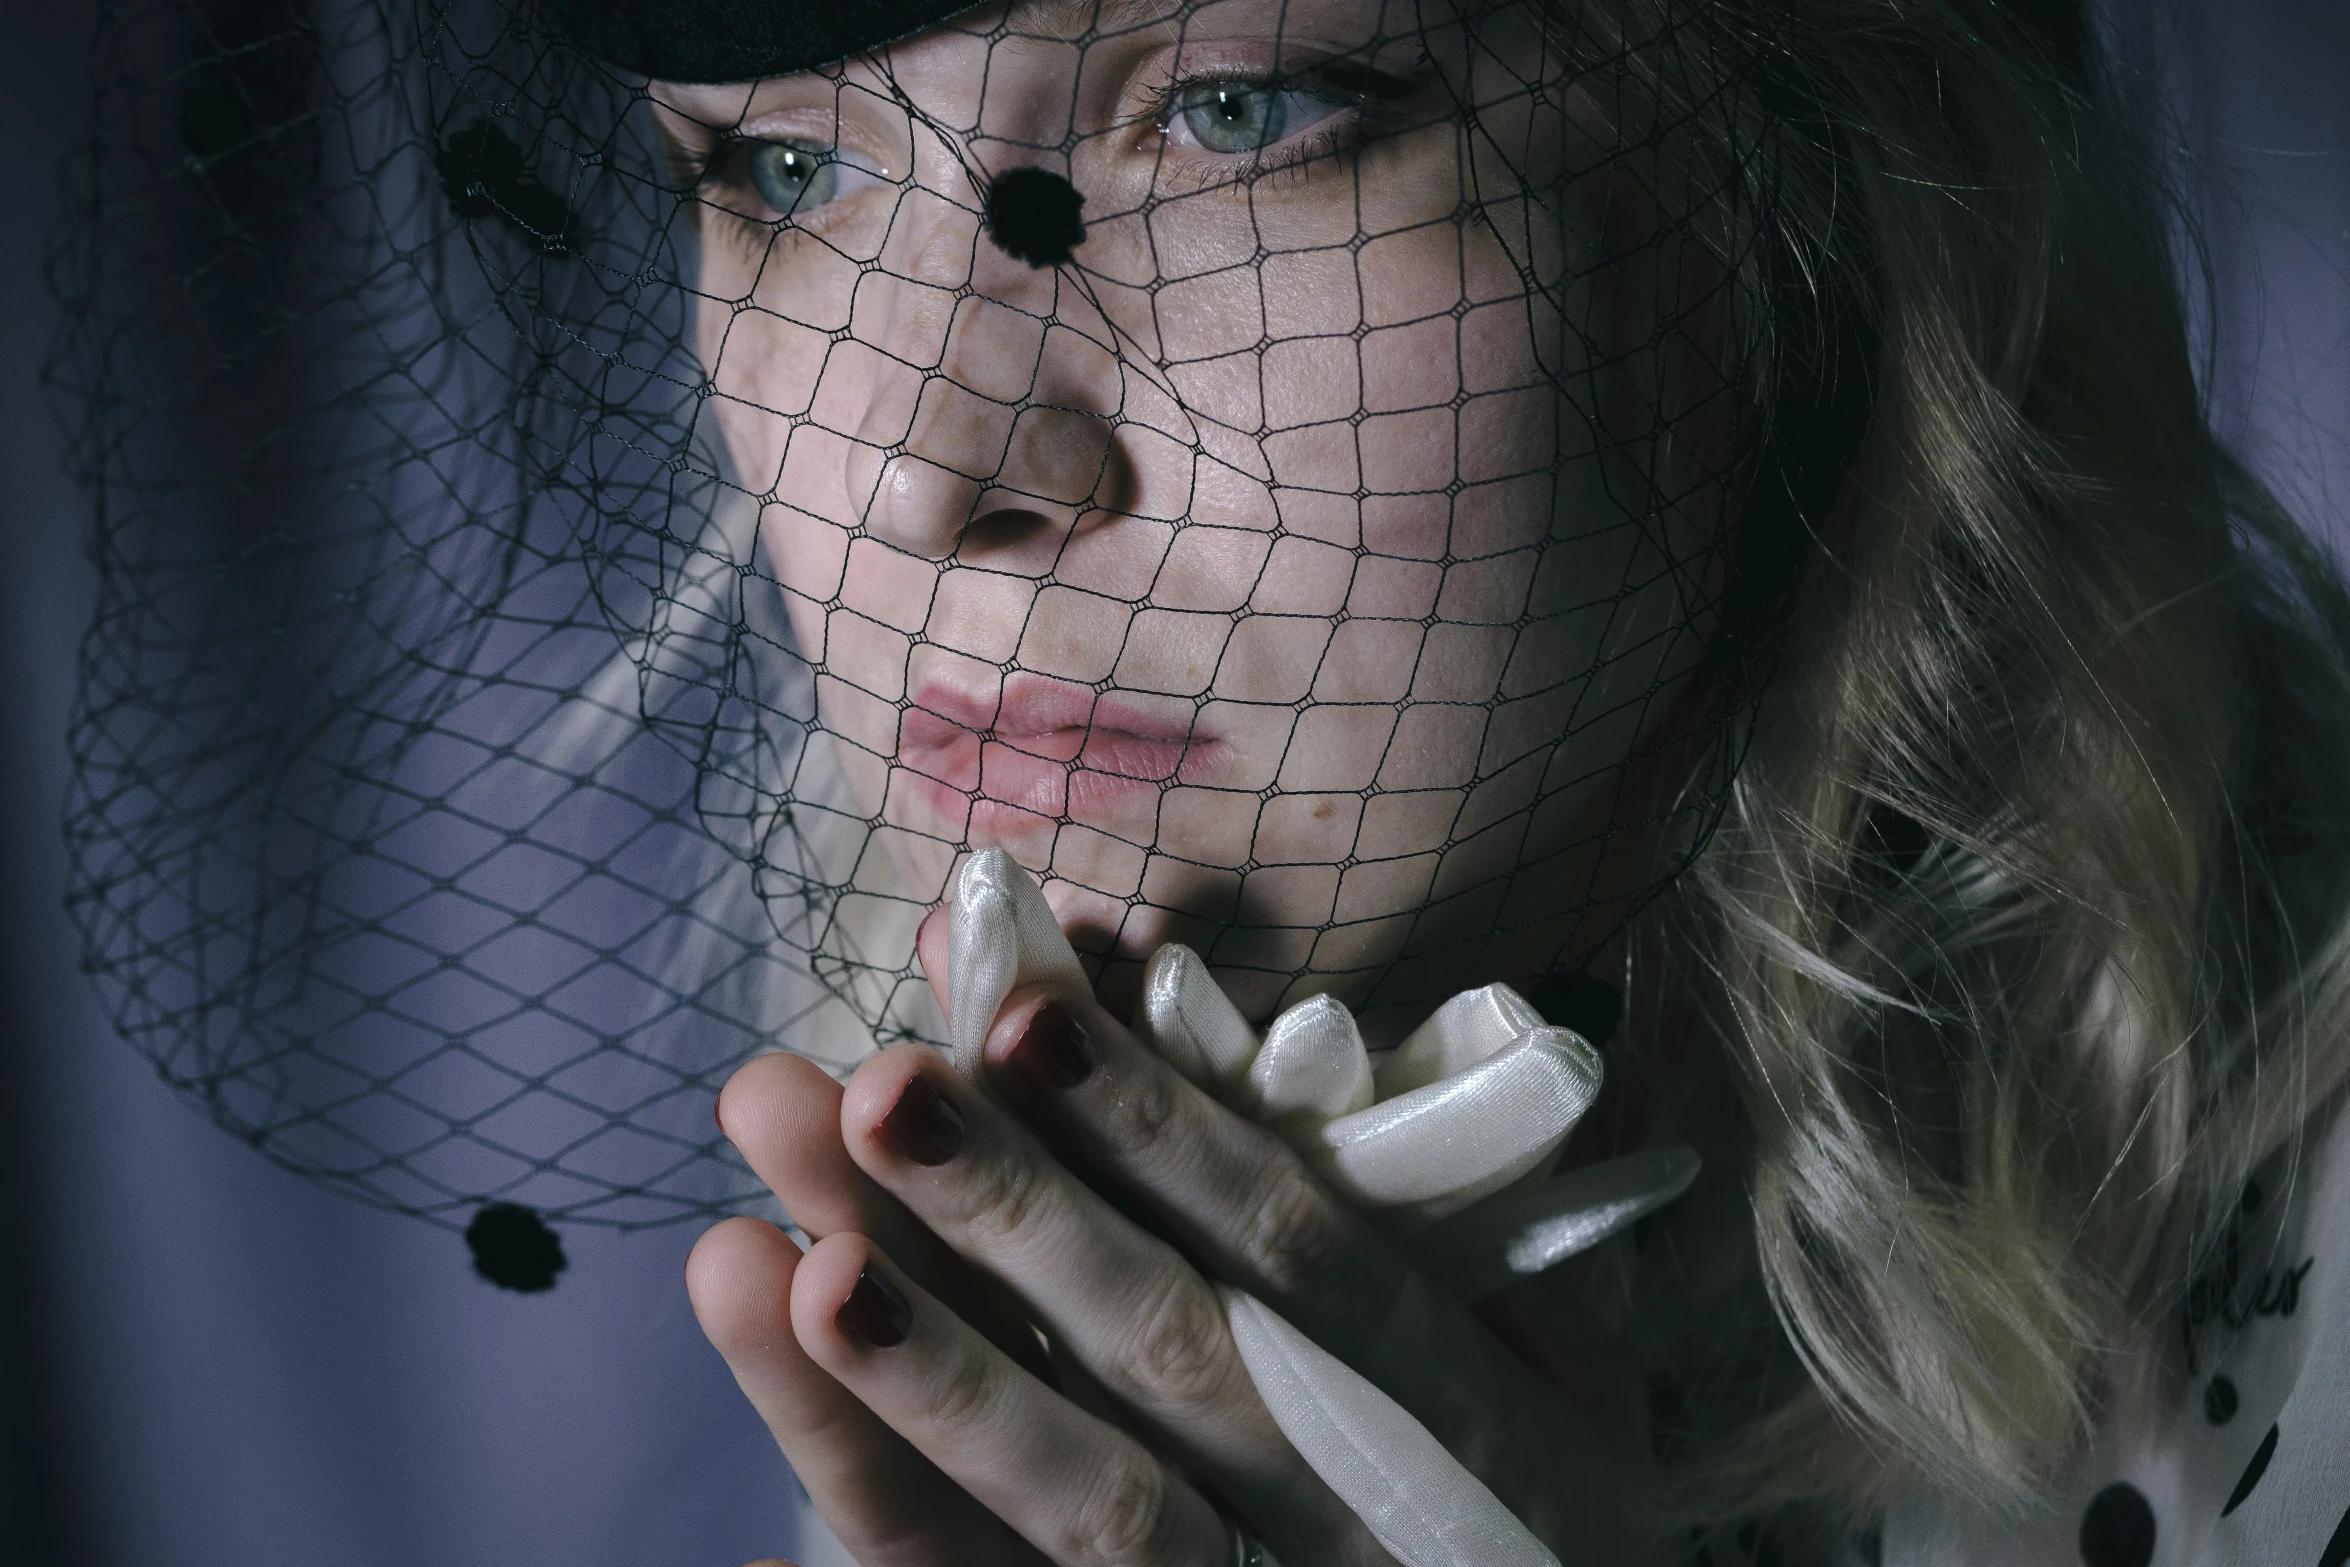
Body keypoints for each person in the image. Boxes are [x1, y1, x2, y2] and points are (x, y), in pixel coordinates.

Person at [52, 0, 2350, 1560]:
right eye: (775, 166)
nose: (925, 468)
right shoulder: (1000, 1311)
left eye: (1234, 111)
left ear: (1822, 199)